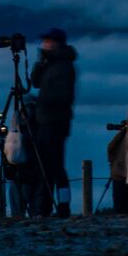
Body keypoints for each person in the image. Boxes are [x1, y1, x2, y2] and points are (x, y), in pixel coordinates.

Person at [30, 27, 77, 218]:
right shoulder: (50, 64)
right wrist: (41, 62)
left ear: (56, 43)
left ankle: (49, 207)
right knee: (52, 165)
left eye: (47, 41)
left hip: (55, 121)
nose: (44, 44)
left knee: (52, 166)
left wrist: (41, 102)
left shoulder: (64, 66)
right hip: (47, 119)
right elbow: (35, 82)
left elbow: (63, 95)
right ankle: (51, 206)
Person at [107, 123, 128, 215]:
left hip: (119, 175)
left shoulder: (121, 138)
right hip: (126, 176)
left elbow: (110, 148)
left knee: (120, 207)